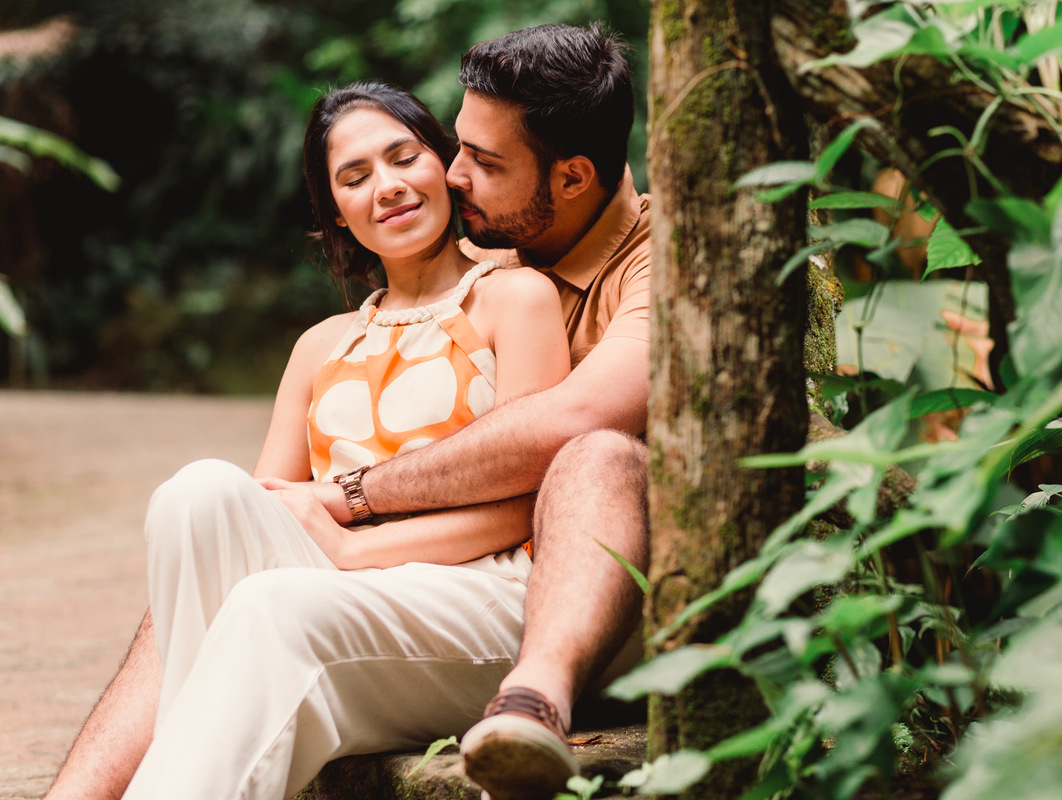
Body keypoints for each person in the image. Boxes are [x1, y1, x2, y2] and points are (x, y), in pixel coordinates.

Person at [43, 21, 650, 800]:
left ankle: (530, 696)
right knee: (196, 496)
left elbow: (559, 446)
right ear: (332, 209)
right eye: (357, 175)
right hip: (363, 577)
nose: (453, 177)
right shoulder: (384, 308)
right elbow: (256, 515)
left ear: (569, 179)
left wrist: (349, 517)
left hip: (525, 579)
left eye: (434, 158)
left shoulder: (541, 284)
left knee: (269, 602)